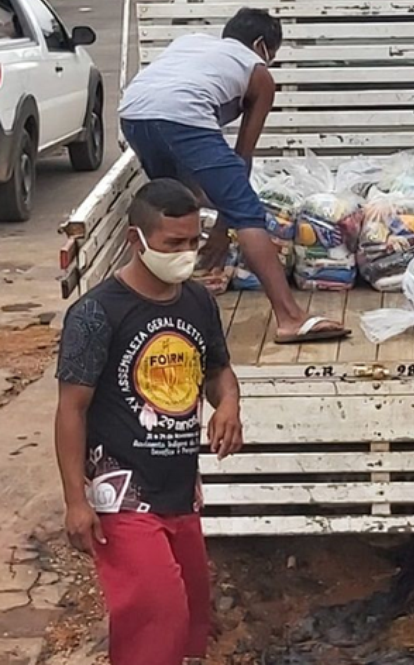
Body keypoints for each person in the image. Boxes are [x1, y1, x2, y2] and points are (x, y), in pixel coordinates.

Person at [55, 179, 243, 665]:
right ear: (135, 241)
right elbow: (71, 408)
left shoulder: (198, 302)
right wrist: (76, 501)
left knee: (191, 617)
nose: (185, 254)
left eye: (192, 242)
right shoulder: (96, 314)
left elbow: (218, 370)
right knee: (157, 616)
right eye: (172, 244)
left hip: (181, 490)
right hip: (123, 495)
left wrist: (228, 406)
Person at [118, 7, 349, 344]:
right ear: (261, 46)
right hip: (183, 115)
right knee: (248, 213)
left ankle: (141, 311)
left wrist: (214, 223)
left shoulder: (191, 44)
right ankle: (290, 317)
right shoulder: (258, 72)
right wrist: (226, 230)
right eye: (273, 54)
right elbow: (243, 157)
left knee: (170, 209)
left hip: (133, 114)